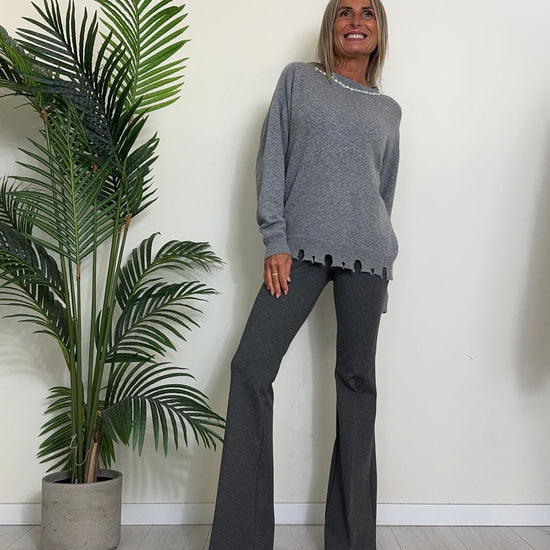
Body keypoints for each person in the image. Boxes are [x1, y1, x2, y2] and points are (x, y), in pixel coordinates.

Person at [209, 0, 401, 548]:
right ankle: (241, 540)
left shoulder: (390, 111)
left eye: (367, 13)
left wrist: (383, 269)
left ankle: (353, 540)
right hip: (299, 250)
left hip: (368, 257)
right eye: (345, 12)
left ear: (379, 29)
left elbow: (384, 192)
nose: (356, 21)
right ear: (330, 25)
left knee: (357, 385)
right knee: (250, 367)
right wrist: (276, 240)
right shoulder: (298, 81)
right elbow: (272, 159)